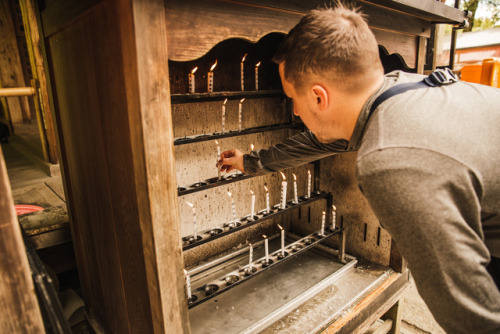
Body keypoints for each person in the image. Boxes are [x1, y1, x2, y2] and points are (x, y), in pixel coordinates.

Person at [218, 4, 500, 333]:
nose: (294, 111)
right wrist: (251, 162)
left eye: (292, 98)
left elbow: (474, 318)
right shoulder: (401, 91)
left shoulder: (390, 163)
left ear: (319, 97)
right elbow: (325, 140)